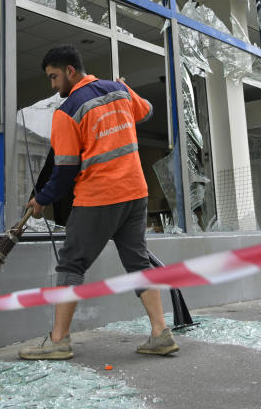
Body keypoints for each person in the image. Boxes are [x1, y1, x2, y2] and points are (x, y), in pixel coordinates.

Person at [18, 45, 178, 359]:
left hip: (99, 198)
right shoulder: (118, 91)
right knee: (138, 262)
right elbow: (147, 110)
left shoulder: (67, 112)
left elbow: (64, 170)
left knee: (71, 264)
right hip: (135, 194)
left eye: (53, 77)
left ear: (70, 71)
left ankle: (59, 340)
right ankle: (160, 333)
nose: (53, 85)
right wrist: (125, 86)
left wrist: (41, 200)